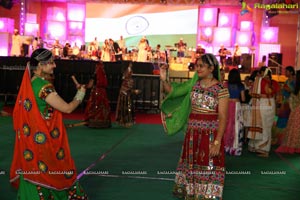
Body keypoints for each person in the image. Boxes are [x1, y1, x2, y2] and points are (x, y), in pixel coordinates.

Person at [10, 48, 88, 199]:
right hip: (44, 140)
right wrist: (81, 93)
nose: (54, 66)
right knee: (54, 170)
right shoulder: (44, 87)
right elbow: (68, 108)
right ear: (40, 65)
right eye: (51, 63)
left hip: (31, 140)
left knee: (33, 169)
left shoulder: (30, 82)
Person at [160, 53, 229, 199]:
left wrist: (217, 142)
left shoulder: (221, 89)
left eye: (201, 66)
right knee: (192, 165)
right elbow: (172, 91)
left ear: (211, 68)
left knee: (208, 166)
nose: (197, 68)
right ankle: (192, 192)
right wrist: (164, 77)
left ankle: (207, 195)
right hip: (192, 136)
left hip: (210, 136)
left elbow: (223, 117)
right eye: (197, 65)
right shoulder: (194, 84)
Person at [247, 67, 280, 157]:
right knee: (267, 127)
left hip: (263, 103)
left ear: (262, 73)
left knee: (263, 126)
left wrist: (258, 95)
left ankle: (264, 150)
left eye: (259, 73)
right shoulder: (275, 83)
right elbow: (277, 95)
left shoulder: (260, 81)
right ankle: (263, 148)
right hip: (271, 104)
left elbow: (250, 93)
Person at [275, 70, 300, 154]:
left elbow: (293, 96)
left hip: (295, 108)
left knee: (293, 127)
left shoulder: (295, 85)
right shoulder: (294, 84)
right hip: (293, 106)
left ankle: (292, 144)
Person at [224, 68, 245, 156]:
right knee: (236, 126)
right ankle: (235, 148)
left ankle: (225, 146)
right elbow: (243, 99)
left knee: (227, 124)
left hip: (227, 105)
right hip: (237, 105)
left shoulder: (226, 84)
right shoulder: (240, 85)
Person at [84, 61, 112, 128]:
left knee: (94, 106)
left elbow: (89, 86)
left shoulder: (94, 75)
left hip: (96, 93)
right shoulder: (103, 75)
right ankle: (104, 122)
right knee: (102, 106)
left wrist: (83, 86)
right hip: (103, 93)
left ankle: (94, 122)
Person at [273, 66, 295, 144]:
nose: (285, 73)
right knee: (282, 119)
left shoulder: (294, 81)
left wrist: (286, 89)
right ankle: (281, 139)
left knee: (287, 119)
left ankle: (286, 139)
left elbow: (294, 91)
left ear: (291, 72)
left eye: (287, 71)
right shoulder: (287, 81)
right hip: (285, 102)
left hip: (292, 102)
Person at [115, 63, 135, 127]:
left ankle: (127, 120)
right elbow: (126, 86)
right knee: (124, 106)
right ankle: (123, 121)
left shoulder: (130, 80)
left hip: (127, 94)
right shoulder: (125, 79)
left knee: (128, 106)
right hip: (124, 93)